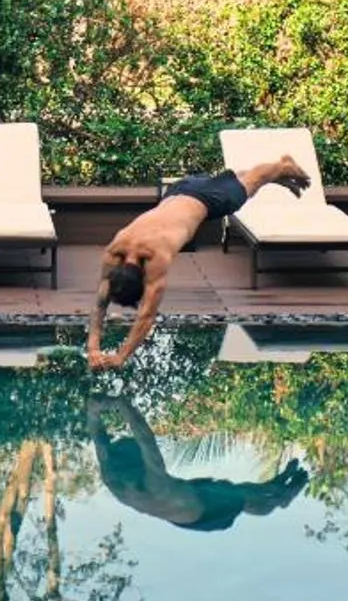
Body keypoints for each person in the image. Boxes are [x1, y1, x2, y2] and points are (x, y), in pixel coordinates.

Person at [85, 155, 309, 370]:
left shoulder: (156, 256)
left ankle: (282, 166)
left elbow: (146, 316)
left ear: (144, 278)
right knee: (238, 180)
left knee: (251, 183)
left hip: (207, 200)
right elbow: (100, 302)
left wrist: (121, 357)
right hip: (178, 190)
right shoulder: (115, 249)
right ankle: (278, 176)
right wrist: (93, 348)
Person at [90, 394, 309, 533]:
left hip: (185, 511)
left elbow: (98, 438)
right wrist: (121, 405)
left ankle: (277, 486)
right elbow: (145, 439)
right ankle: (280, 498)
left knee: (237, 492)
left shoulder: (114, 477)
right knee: (241, 497)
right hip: (197, 510)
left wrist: (93, 413)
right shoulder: (148, 481)